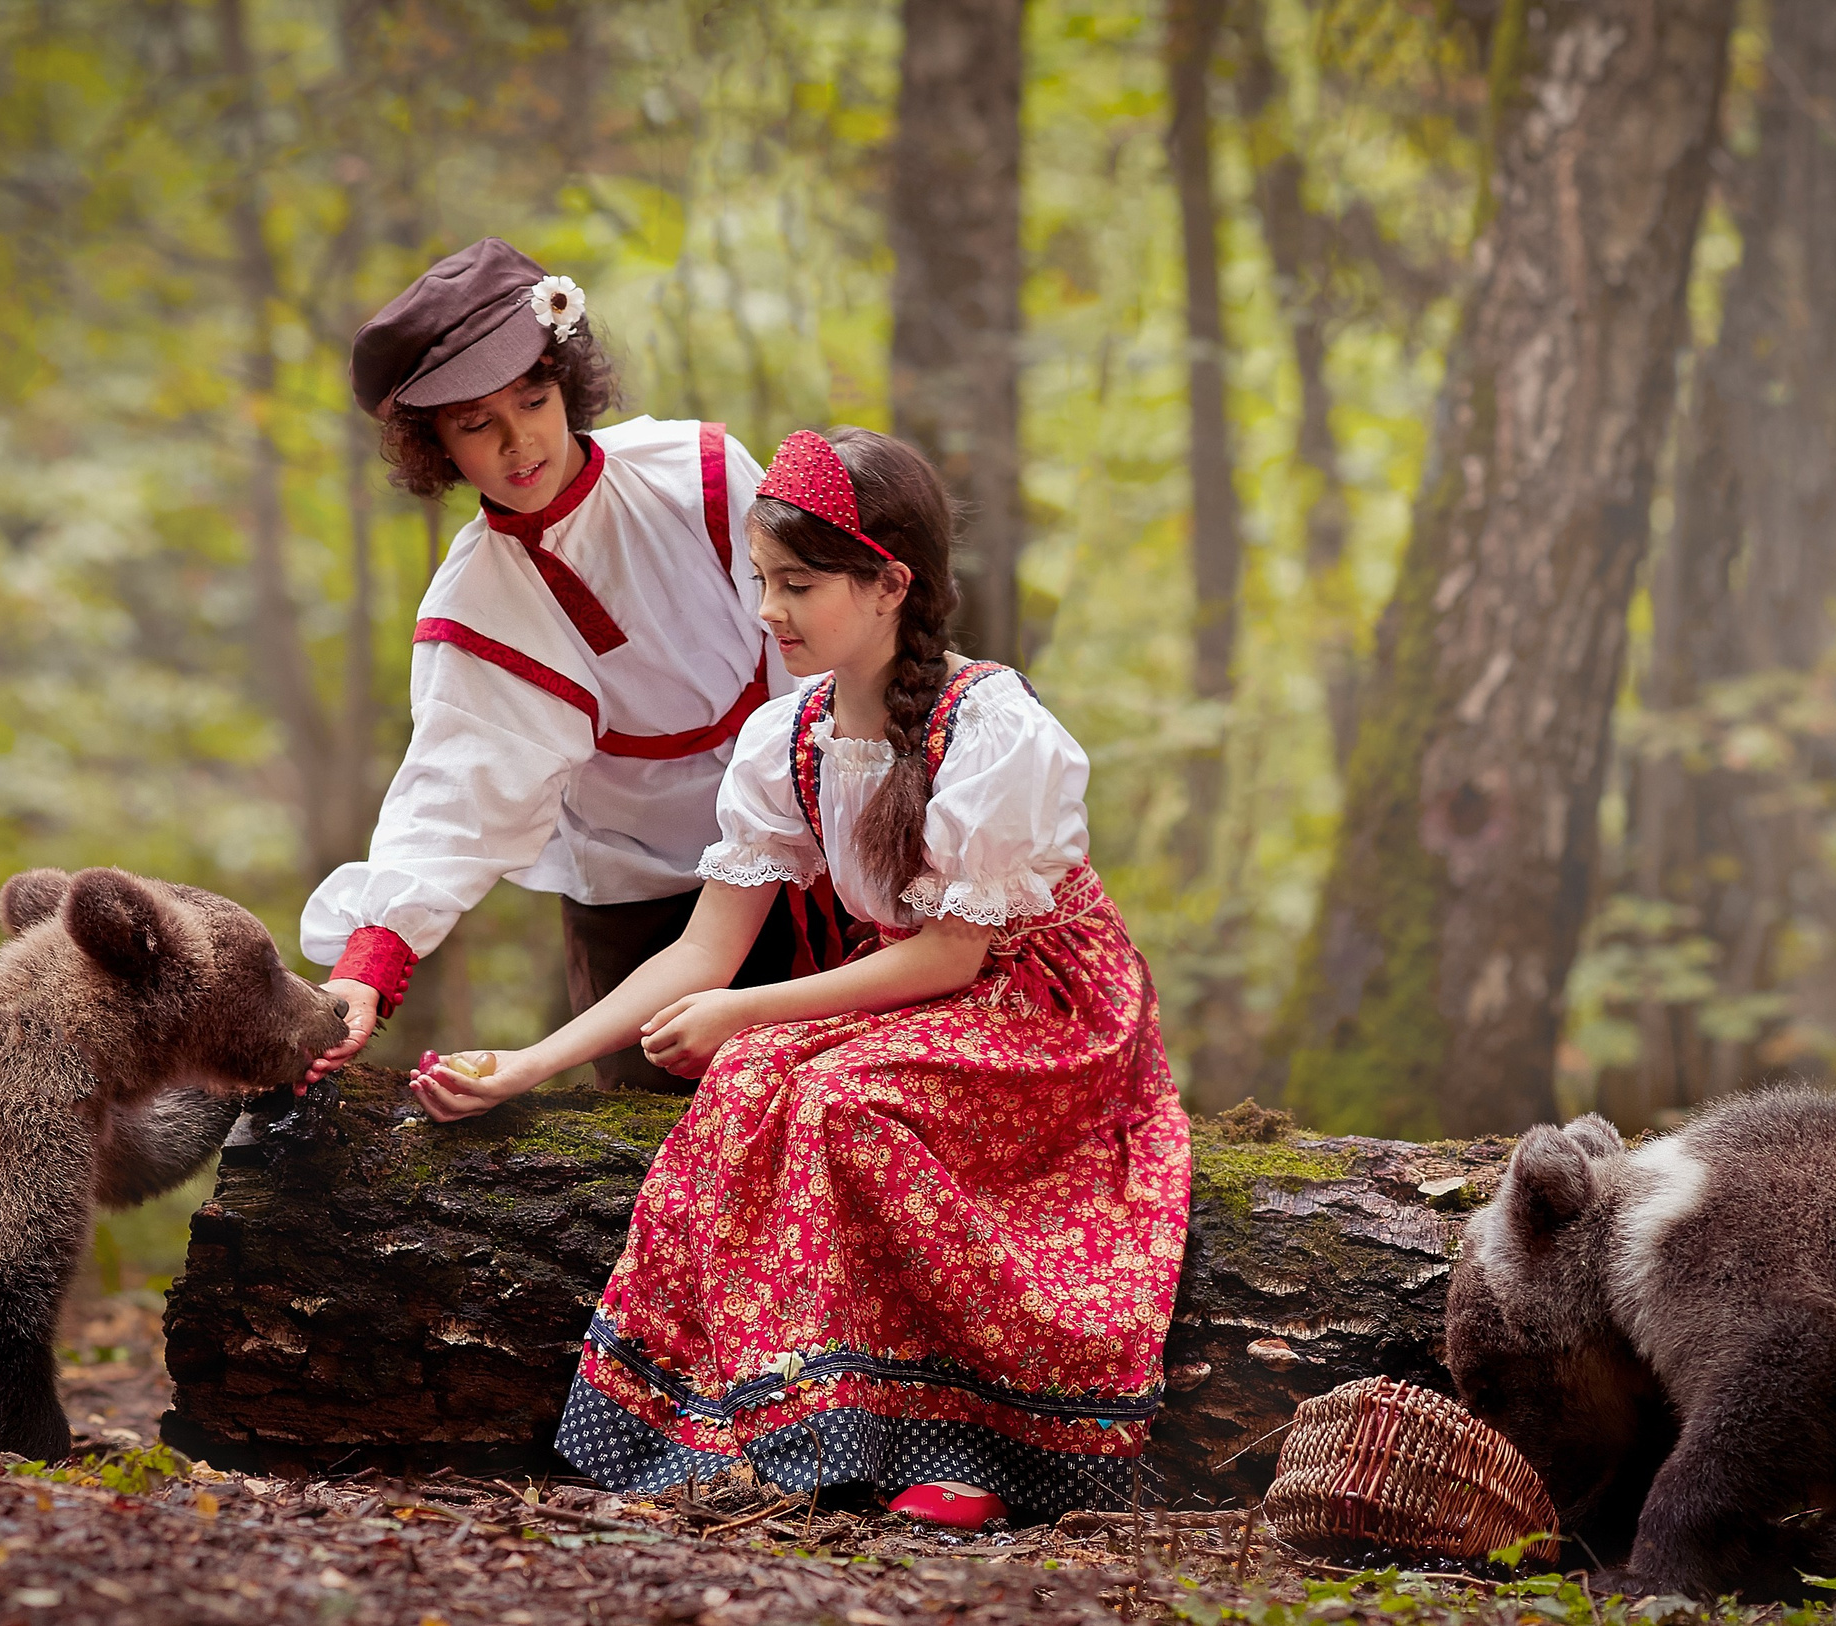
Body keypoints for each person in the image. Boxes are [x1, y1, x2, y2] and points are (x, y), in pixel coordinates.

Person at [406, 427, 1192, 1528]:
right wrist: (532, 1064)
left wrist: (744, 1013)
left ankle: (974, 1437)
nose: (768, 612)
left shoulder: (995, 730)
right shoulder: (791, 735)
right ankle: (761, 1423)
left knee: (841, 1099)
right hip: (910, 990)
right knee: (747, 1083)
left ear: (889, 585)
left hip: (1040, 998)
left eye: (798, 585)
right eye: (761, 582)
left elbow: (956, 953)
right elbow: (702, 952)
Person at [303, 238, 820, 1088]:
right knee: (662, 1165)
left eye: (533, 400)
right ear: (436, 446)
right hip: (645, 906)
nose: (519, 443)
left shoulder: (700, 473)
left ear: (566, 382)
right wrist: (369, 964)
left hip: (820, 849)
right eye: (477, 425)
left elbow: (820, 639)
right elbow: (452, 796)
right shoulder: (475, 604)